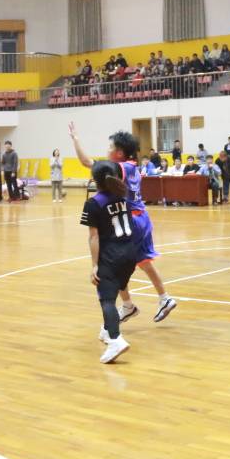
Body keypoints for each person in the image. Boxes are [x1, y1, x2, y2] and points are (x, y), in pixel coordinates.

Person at [69, 122, 177, 324]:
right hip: (142, 218)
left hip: (130, 221)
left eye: (110, 147)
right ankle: (165, 298)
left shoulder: (119, 167)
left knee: (114, 264)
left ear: (119, 153)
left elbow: (86, 162)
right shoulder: (133, 166)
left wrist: (75, 139)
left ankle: (128, 306)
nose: (107, 150)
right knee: (144, 261)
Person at [83, 161, 137, 363]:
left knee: (107, 300)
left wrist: (95, 265)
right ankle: (108, 330)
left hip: (111, 256)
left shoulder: (93, 203)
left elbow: (94, 237)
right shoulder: (123, 195)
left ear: (94, 179)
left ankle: (115, 340)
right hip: (130, 254)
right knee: (116, 290)